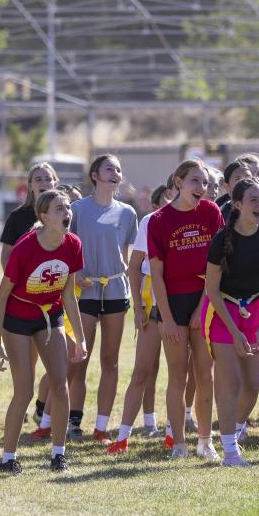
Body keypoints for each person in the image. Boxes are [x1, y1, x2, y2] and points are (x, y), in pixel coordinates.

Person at [0, 190, 87, 474]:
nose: (66, 213)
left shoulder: (73, 244)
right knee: (23, 391)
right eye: (59, 209)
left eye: (68, 207)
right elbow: (0, 298)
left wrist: (80, 337)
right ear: (44, 217)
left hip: (51, 317)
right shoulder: (25, 247)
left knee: (60, 385)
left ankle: (58, 455)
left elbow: (69, 295)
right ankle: (8, 458)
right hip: (18, 319)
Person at [202, 178, 259, 466]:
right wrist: (235, 331)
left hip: (255, 310)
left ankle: (231, 434)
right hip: (223, 312)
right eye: (254, 200)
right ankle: (230, 452)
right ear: (237, 204)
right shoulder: (221, 241)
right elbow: (211, 290)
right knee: (232, 383)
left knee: (252, 385)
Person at [147, 160, 223, 459]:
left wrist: (203, 306)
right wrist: (167, 318)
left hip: (204, 299)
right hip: (172, 303)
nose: (201, 188)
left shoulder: (211, 212)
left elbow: (217, 266)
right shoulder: (158, 220)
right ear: (178, 183)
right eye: (195, 181)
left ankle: (205, 441)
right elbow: (156, 274)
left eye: (204, 182)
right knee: (177, 375)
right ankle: (178, 443)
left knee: (205, 374)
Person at [68, 155, 138, 443]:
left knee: (110, 361)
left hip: (115, 292)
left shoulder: (127, 213)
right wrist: (75, 275)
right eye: (110, 169)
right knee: (78, 359)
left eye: (119, 169)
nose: (116, 173)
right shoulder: (76, 210)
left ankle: (101, 427)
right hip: (84, 293)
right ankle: (72, 422)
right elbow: (66, 248)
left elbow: (126, 255)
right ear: (95, 175)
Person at [106, 185, 176, 453]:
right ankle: (123, 436)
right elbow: (134, 267)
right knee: (141, 371)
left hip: (182, 304)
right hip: (152, 306)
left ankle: (173, 433)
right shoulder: (151, 221)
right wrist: (138, 306)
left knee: (180, 374)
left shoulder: (201, 219)